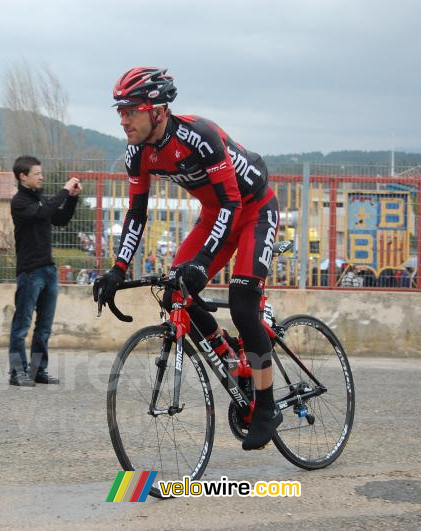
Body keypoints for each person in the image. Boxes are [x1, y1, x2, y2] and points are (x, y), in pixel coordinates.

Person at [93, 67, 282, 450]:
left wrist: (202, 262)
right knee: (173, 292)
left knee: (244, 303)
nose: (123, 119)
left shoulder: (201, 136)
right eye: (120, 111)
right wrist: (117, 269)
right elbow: (137, 214)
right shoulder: (137, 153)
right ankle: (230, 353)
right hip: (216, 214)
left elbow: (233, 202)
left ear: (158, 110)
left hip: (253, 210)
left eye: (131, 110)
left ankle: (266, 406)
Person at [8, 156, 81, 386]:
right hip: (30, 272)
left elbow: (59, 218)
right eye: (37, 173)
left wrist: (71, 199)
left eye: (41, 173)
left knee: (44, 327)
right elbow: (42, 213)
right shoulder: (19, 202)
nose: (42, 177)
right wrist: (63, 190)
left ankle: (38, 371)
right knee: (22, 325)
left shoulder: (38, 199)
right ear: (23, 176)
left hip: (48, 270)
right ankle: (17, 372)